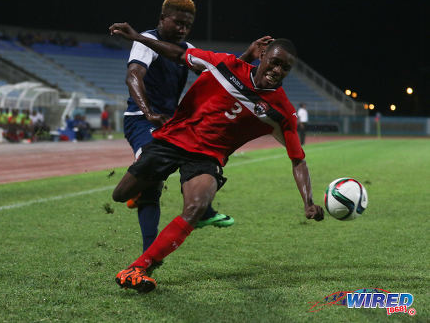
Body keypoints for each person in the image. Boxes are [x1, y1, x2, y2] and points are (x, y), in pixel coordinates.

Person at [109, 22, 325, 293]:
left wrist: (308, 202)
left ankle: (140, 267)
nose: (277, 71)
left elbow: (298, 159)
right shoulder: (225, 64)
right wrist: (137, 37)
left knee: (197, 206)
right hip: (173, 140)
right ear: (263, 56)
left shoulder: (282, 111)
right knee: (120, 195)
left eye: (285, 68)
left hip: (207, 157)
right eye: (275, 62)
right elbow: (178, 55)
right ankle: (145, 190)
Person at [122, 0, 272, 258]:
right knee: (153, 185)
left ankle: (202, 211)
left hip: (174, 123)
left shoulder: (186, 47)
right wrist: (148, 113)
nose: (182, 29)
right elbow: (134, 75)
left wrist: (248, 54)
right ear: (162, 19)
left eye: (187, 25)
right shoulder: (146, 41)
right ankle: (145, 257)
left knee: (201, 157)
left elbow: (221, 74)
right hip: (141, 119)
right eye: (177, 22)